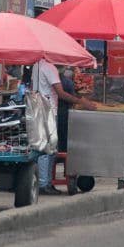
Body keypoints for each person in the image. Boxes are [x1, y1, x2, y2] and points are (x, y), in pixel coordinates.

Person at [32, 58, 96, 195]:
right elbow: (60, 93)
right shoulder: (50, 68)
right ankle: (44, 184)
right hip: (49, 111)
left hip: (39, 109)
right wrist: (81, 102)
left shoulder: (37, 65)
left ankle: (44, 182)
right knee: (48, 149)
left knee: (45, 148)